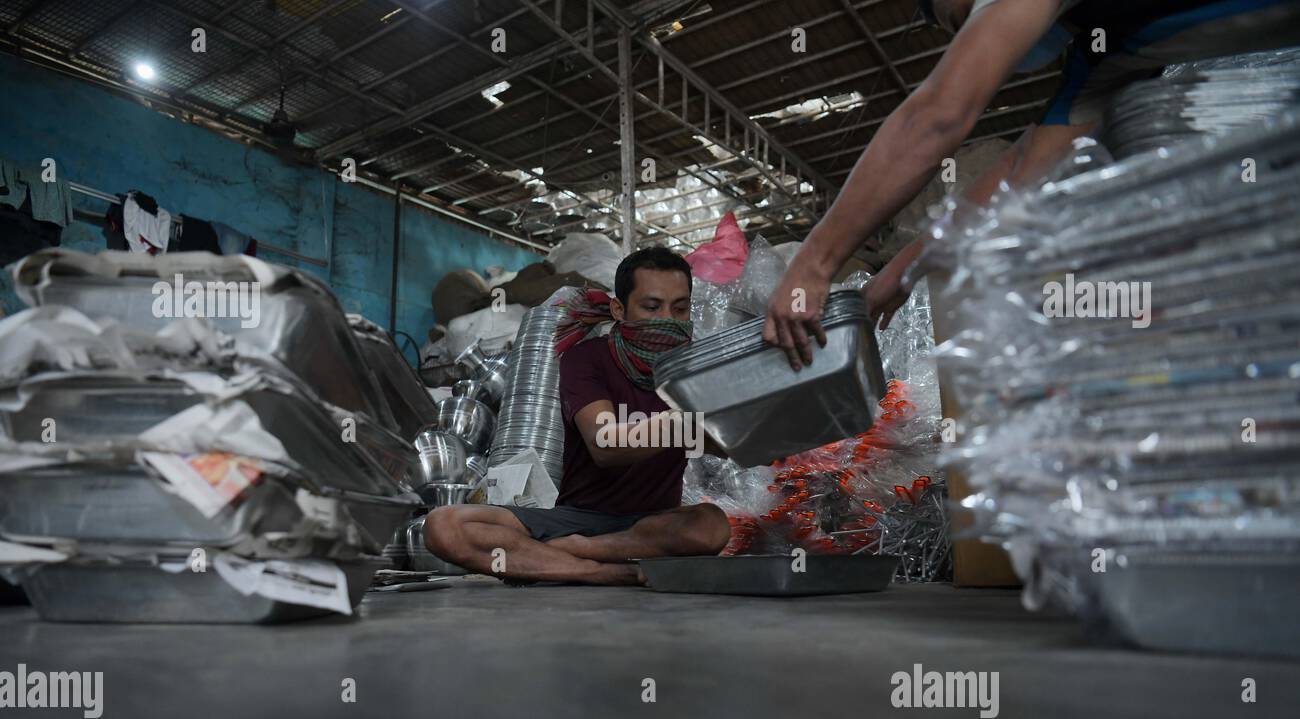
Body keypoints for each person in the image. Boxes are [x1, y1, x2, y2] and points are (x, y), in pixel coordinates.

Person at [764, 0, 1300, 368]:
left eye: (956, 19)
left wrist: (814, 264)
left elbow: (937, 116)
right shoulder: (1111, 51)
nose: (966, 32)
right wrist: (897, 278)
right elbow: (1021, 172)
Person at [424, 247, 731, 585]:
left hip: (652, 525)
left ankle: (577, 553)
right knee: (444, 527)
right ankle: (608, 571)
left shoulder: (697, 369)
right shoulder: (586, 358)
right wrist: (685, 420)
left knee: (711, 526)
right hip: (575, 519)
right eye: (651, 307)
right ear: (619, 309)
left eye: (680, 308)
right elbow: (605, 445)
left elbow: (727, 442)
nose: (668, 321)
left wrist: (753, 421)